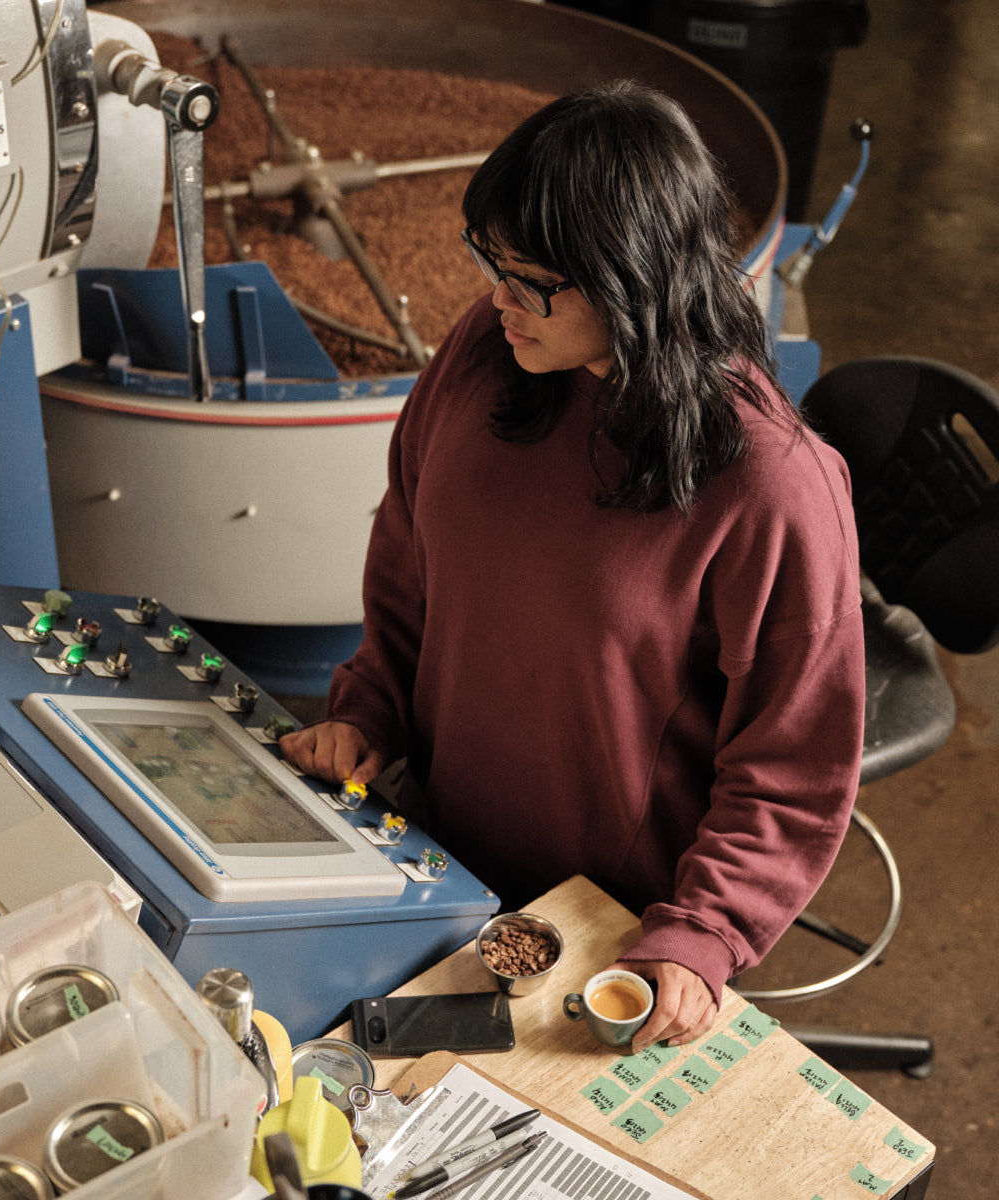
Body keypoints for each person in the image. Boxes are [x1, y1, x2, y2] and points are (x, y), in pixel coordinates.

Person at [281, 81, 865, 1051]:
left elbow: (792, 762)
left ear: (634, 279)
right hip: (436, 854)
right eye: (491, 263)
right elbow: (408, 560)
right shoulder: (489, 349)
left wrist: (703, 931)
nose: (497, 299)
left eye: (533, 281)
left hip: (609, 926)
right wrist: (366, 707)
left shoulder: (772, 483)